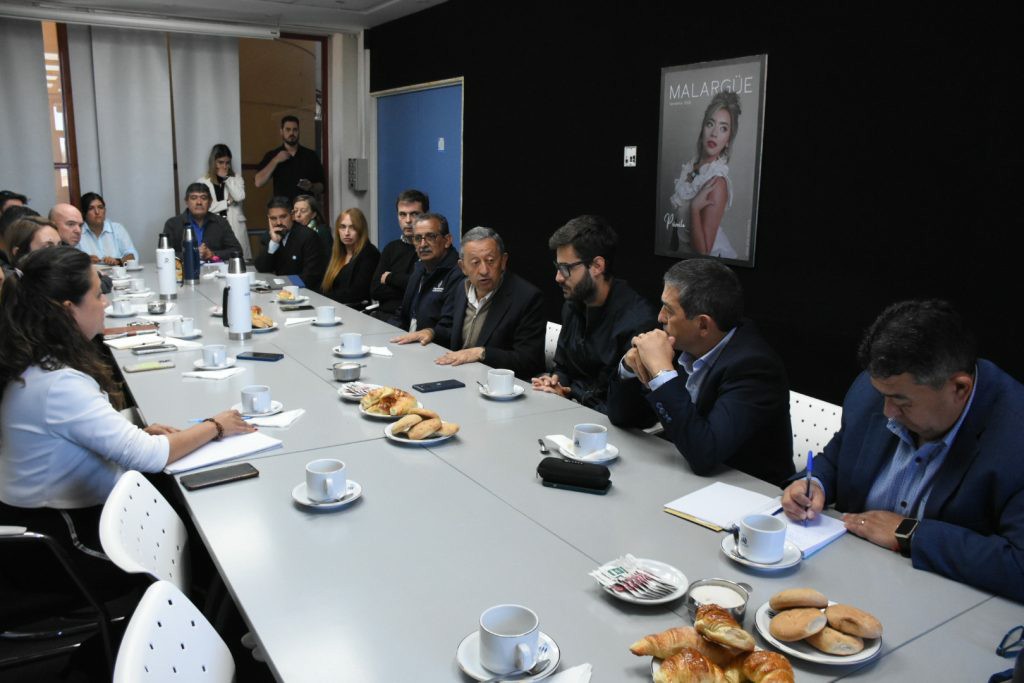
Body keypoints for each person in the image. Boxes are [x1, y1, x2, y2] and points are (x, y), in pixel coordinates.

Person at [0, 248, 253, 583]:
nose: (105, 302)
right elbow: (149, 456)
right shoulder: (57, 384)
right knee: (196, 538)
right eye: (97, 295)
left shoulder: (41, 364)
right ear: (68, 309)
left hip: (61, 515)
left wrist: (132, 430)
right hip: (61, 541)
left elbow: (78, 431)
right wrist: (216, 425)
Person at [780, 300, 1024, 602]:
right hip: (844, 577)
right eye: (884, 396)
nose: (888, 412)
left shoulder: (1014, 437)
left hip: (946, 602)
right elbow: (836, 459)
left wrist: (910, 534)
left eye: (902, 402)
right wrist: (814, 484)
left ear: (959, 388)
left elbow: (1018, 565)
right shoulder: (877, 390)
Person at [606, 258, 794, 485]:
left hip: (747, 490)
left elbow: (704, 454)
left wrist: (662, 373)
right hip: (684, 476)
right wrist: (628, 369)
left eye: (669, 310)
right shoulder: (684, 343)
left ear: (703, 325)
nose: (660, 317)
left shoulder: (755, 368)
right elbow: (623, 417)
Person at [532, 215, 658, 413]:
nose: (558, 277)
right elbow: (563, 368)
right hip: (573, 410)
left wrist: (572, 399)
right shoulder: (572, 306)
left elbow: (630, 408)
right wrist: (556, 382)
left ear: (597, 266)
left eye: (565, 268)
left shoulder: (638, 323)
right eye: (557, 267)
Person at [393, 226, 546, 380]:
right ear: (463, 267)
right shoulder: (462, 288)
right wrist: (431, 332)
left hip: (497, 383)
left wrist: (481, 353)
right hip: (459, 374)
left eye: (490, 261)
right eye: (475, 262)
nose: (484, 270)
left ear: (503, 261)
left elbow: (528, 360)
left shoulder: (527, 297)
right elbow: (451, 330)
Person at [666, 91, 741, 259]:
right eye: (710, 124)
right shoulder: (692, 166)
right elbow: (677, 223)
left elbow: (703, 253)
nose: (714, 133)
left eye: (723, 128)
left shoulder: (717, 182)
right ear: (703, 128)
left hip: (708, 266)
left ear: (728, 140)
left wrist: (695, 208)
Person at [387, 212, 464, 333]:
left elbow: (448, 327)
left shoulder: (457, 274)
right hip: (407, 339)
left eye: (431, 236)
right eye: (418, 238)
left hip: (431, 342)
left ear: (447, 240)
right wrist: (386, 333)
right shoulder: (419, 268)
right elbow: (402, 314)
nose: (423, 244)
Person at [369, 189, 427, 320]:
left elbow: (422, 287)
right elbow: (375, 290)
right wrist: (406, 285)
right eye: (402, 214)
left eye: (414, 214)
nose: (408, 220)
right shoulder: (391, 248)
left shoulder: (429, 249)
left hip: (410, 320)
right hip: (381, 316)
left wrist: (390, 278)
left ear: (425, 215)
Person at [254, 196, 327, 287]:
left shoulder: (308, 236)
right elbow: (262, 268)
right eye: (273, 218)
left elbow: (311, 276)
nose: (279, 222)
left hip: (304, 291)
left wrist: (282, 283)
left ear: (292, 215)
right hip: (279, 290)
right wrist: (274, 243)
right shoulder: (269, 236)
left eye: (283, 217)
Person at [162, 183, 243, 261]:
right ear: (186, 202)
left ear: (210, 202)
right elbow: (165, 255)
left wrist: (212, 254)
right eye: (194, 198)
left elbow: (237, 250)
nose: (199, 202)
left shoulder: (221, 222)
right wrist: (192, 254)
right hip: (184, 269)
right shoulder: (172, 224)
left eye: (203, 198)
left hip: (215, 269)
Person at [254, 115, 325, 202]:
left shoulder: (311, 155)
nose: (292, 133)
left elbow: (322, 187)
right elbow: (258, 182)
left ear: (299, 131)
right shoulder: (273, 155)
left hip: (304, 208)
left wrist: (311, 186)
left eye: (295, 130)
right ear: (281, 132)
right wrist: (275, 160)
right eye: (288, 129)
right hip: (282, 208)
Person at [198, 144, 250, 260]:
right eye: (220, 162)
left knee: (238, 259)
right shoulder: (203, 181)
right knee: (214, 259)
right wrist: (227, 203)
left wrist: (226, 179)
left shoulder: (236, 178)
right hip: (214, 227)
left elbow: (239, 197)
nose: (224, 166)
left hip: (235, 226)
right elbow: (206, 207)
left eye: (227, 163)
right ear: (213, 162)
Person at [320, 207, 380, 308]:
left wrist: (323, 297)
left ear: (361, 230)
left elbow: (357, 293)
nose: (346, 233)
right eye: (342, 227)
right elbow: (326, 287)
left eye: (352, 228)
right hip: (333, 308)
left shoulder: (369, 254)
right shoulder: (337, 254)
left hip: (358, 311)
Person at [78, 192, 139, 266]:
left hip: (118, 272)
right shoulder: (78, 232)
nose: (97, 212)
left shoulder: (117, 228)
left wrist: (118, 261)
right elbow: (71, 262)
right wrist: (85, 261)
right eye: (91, 208)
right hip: (91, 273)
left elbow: (133, 255)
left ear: (105, 210)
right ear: (83, 213)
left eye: (100, 207)